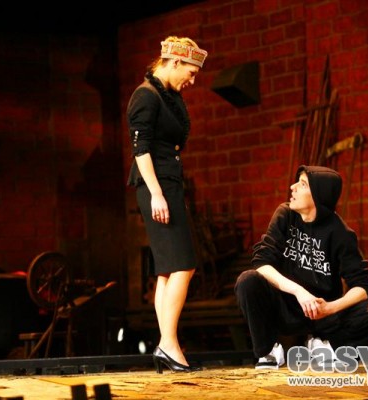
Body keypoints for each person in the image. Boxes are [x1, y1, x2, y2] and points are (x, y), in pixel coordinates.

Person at [234, 165, 368, 369]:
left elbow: (362, 286)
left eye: (302, 184)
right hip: (285, 308)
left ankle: (326, 347)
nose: (292, 187)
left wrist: (330, 308)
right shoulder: (285, 215)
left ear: (318, 194)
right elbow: (262, 264)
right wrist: (299, 292)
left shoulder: (340, 233)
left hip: (322, 314)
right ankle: (268, 352)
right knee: (248, 280)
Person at [126, 36, 208, 373]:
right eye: (190, 72)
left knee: (168, 269)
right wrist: (156, 193)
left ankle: (166, 344)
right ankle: (169, 344)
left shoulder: (168, 95)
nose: (192, 80)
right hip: (156, 186)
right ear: (174, 62)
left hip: (168, 185)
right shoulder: (146, 95)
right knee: (184, 266)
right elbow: (141, 149)